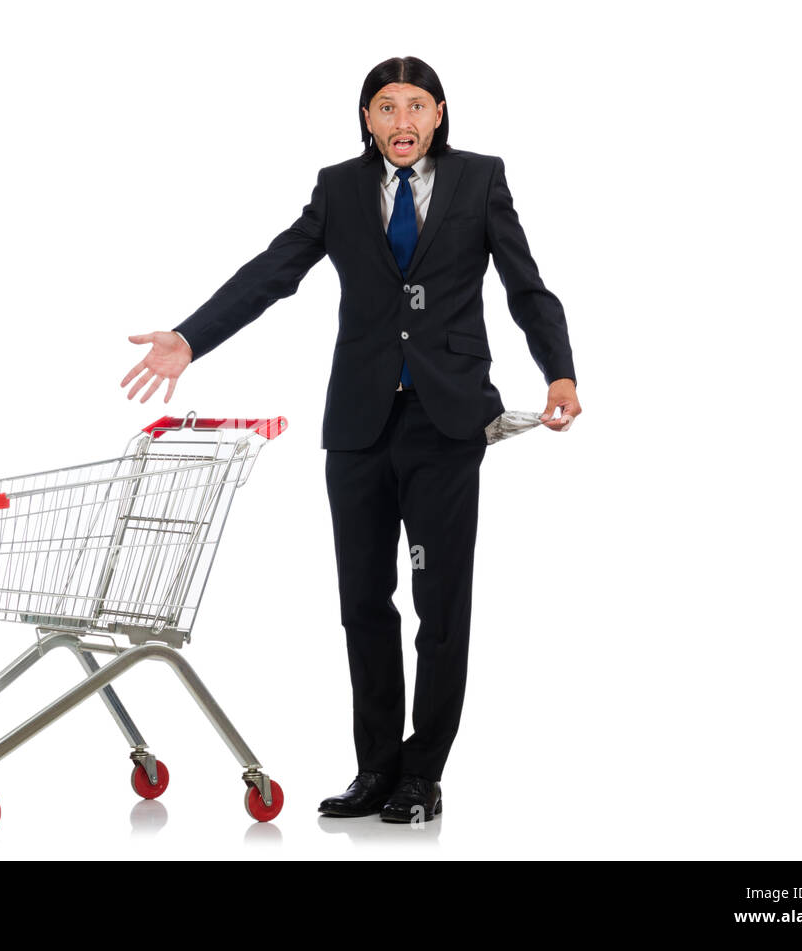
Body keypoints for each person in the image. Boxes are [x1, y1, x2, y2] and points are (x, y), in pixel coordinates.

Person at [121, 56, 581, 823]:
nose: (401, 123)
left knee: (441, 605)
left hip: (446, 423)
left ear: (438, 113)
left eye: (415, 108)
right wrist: (191, 339)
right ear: (366, 117)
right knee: (364, 603)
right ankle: (376, 768)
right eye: (384, 107)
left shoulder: (479, 180)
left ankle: (422, 773)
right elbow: (274, 270)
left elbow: (527, 286)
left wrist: (559, 372)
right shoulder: (338, 188)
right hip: (361, 425)